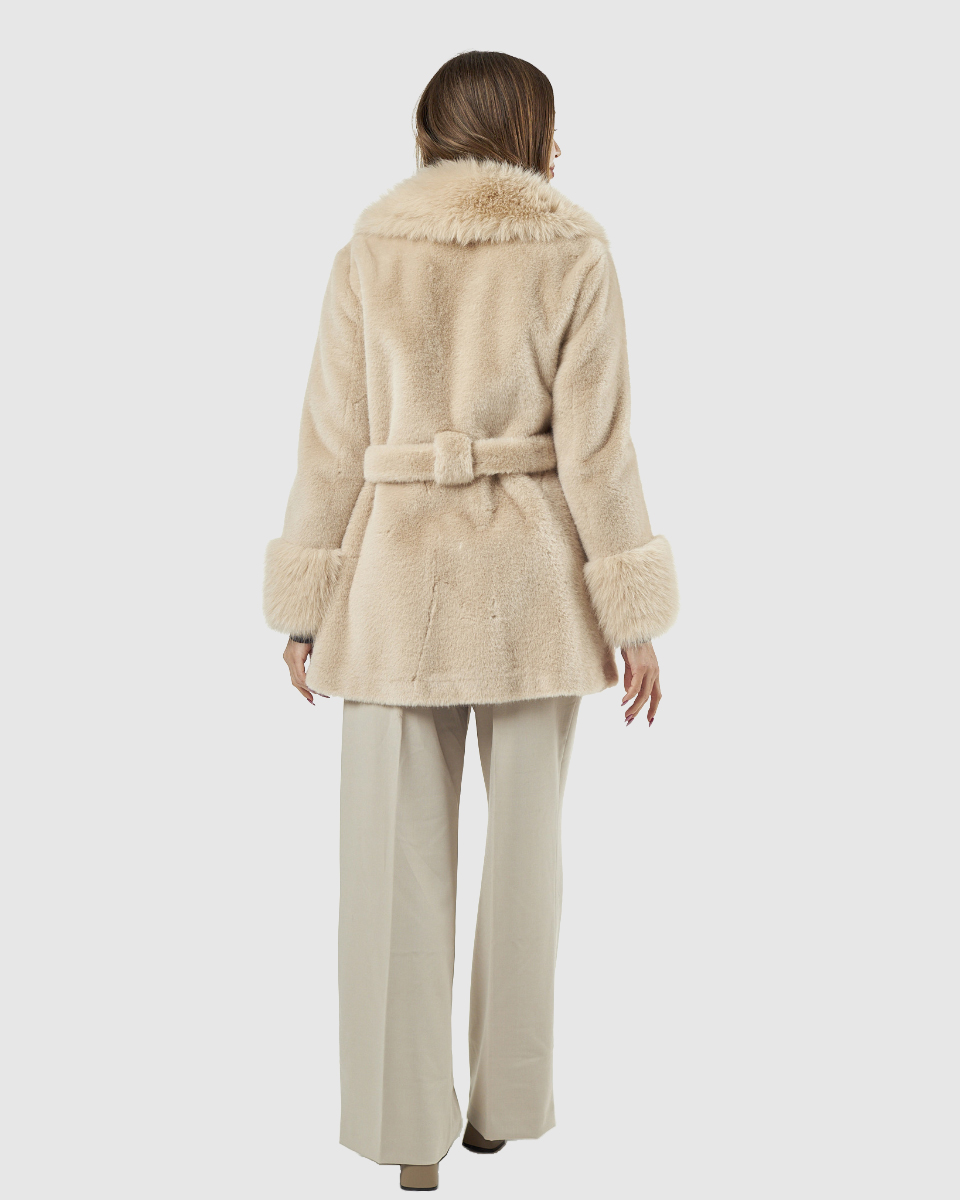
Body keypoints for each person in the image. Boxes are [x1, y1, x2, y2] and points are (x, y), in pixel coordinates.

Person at [263, 50, 679, 1192]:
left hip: (392, 586)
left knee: (388, 867)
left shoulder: (370, 249)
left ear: (429, 131)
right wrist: (632, 613)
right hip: (535, 591)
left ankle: (408, 1134)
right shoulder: (575, 249)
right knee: (528, 860)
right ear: (532, 133)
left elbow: (330, 443)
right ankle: (504, 1106)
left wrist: (304, 607)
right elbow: (600, 453)